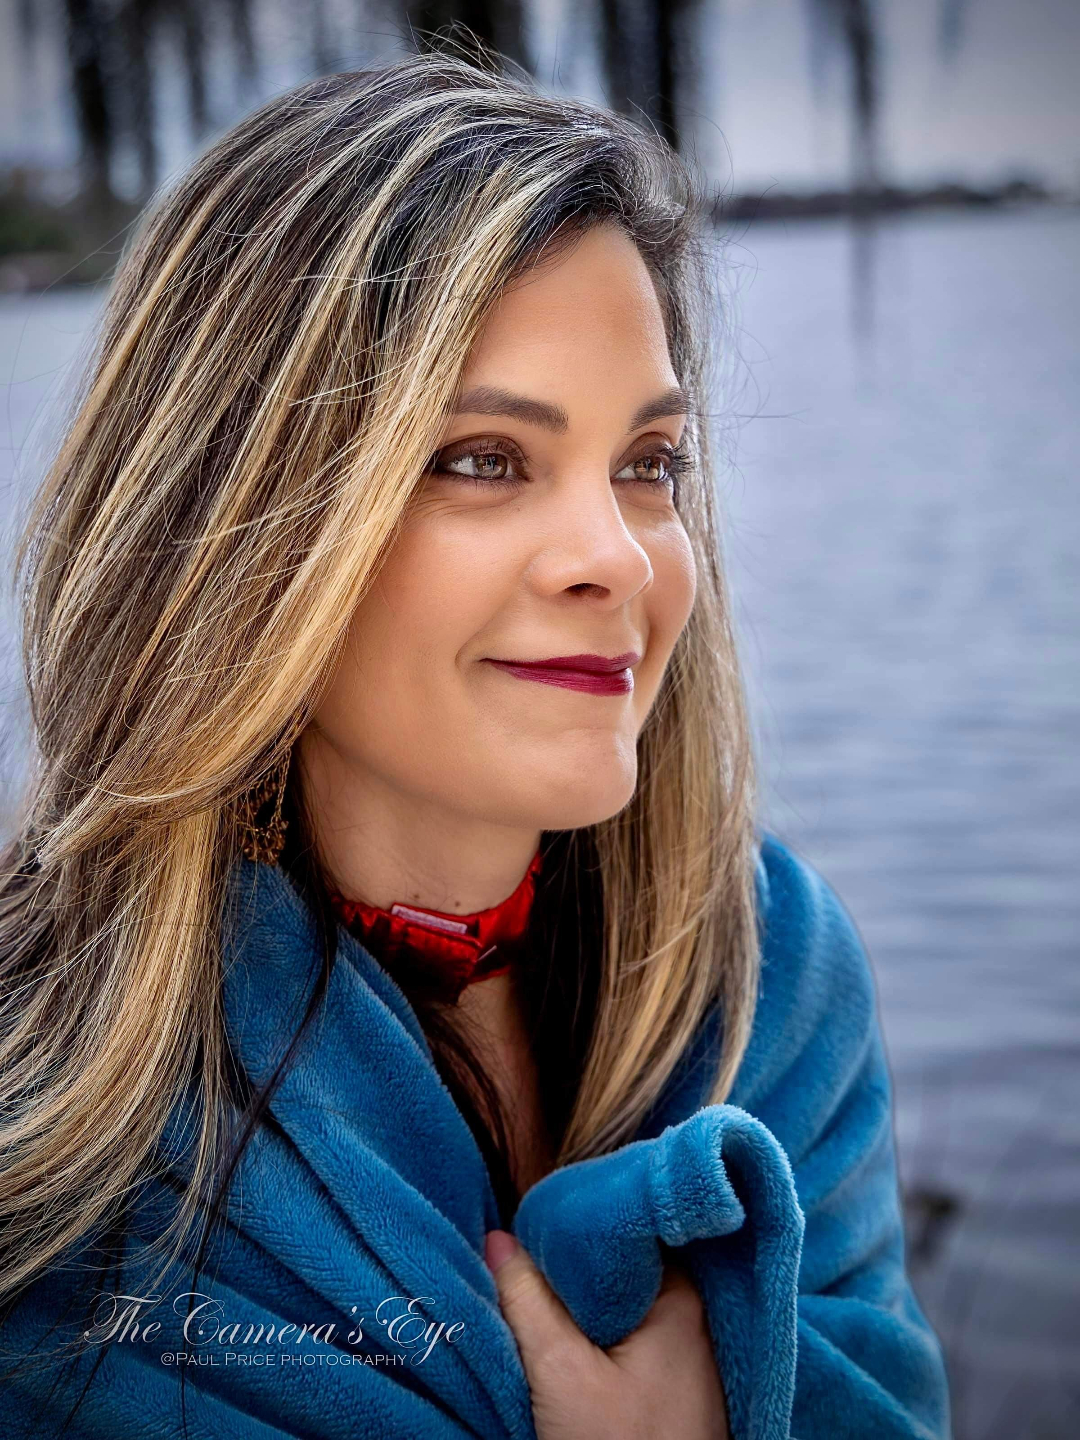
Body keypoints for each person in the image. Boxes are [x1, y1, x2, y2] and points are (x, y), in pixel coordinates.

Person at [0, 48, 949, 1440]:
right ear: (241, 524)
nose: (615, 557)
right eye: (483, 460)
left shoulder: (770, 978)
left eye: (649, 464)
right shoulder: (63, 1126)